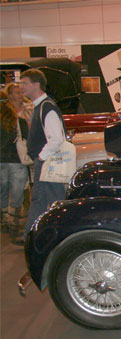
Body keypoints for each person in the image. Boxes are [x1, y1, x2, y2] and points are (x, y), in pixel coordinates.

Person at [19, 68, 67, 240]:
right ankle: (57, 235)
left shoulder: (46, 108)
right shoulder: (42, 107)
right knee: (53, 201)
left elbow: (56, 139)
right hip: (48, 163)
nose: (21, 87)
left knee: (41, 201)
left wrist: (41, 157)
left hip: (47, 163)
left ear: (36, 84)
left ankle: (30, 238)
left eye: (24, 83)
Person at [0, 90, 29, 245]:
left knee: (2, 193)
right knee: (17, 195)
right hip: (16, 161)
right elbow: (27, 139)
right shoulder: (19, 121)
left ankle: (4, 220)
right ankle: (14, 225)